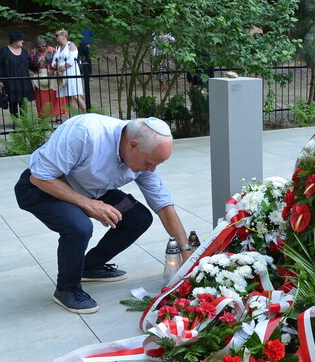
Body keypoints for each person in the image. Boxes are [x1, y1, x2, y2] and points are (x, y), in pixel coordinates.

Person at [13, 114, 194, 313]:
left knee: (138, 218)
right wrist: (88, 204)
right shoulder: (85, 133)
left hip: (91, 189)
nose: (151, 170)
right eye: (149, 163)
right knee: (79, 226)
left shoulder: (143, 156)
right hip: (42, 188)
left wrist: (186, 250)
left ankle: (89, 267)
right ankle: (67, 289)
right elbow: (40, 177)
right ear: (132, 145)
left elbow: (162, 203)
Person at [0, 31, 35, 115]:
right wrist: (0, 80)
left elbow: (30, 65)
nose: (22, 41)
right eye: (21, 39)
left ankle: (24, 122)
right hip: (11, 81)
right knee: (12, 102)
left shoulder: (24, 52)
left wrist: (37, 64)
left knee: (24, 103)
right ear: (15, 40)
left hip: (24, 81)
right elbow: (0, 66)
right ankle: (15, 121)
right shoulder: (4, 51)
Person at [29, 35, 65, 118]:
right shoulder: (33, 52)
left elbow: (59, 62)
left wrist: (54, 70)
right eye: (39, 46)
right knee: (41, 98)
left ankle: (57, 116)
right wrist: (36, 67)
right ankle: (43, 117)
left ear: (46, 44)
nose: (41, 48)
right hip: (40, 77)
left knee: (55, 97)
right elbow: (30, 65)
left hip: (51, 75)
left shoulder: (52, 50)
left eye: (43, 45)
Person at [52, 29, 86, 114]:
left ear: (64, 36)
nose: (56, 37)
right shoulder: (57, 48)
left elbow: (72, 59)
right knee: (67, 96)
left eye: (57, 35)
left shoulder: (71, 45)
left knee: (75, 94)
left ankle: (86, 112)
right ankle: (71, 116)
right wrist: (58, 67)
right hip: (62, 73)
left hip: (71, 71)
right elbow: (53, 62)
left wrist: (62, 67)